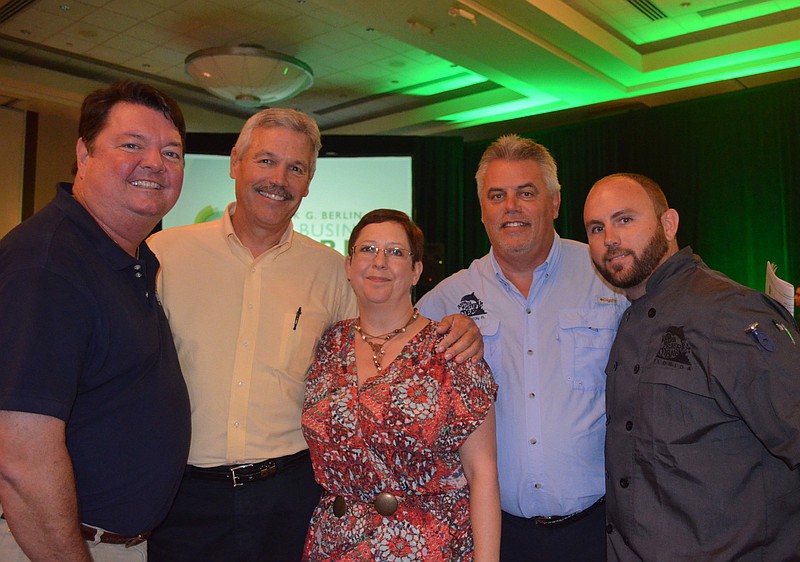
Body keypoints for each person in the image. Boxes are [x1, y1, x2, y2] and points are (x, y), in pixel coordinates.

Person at [146, 109, 483, 562]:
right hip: (187, 499)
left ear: (308, 183)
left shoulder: (330, 270)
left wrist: (457, 324)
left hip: (292, 499)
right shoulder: (164, 256)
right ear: (234, 163)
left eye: (296, 168)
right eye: (266, 161)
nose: (279, 179)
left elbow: (390, 334)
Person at [583, 172, 800, 561]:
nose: (609, 238)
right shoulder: (628, 321)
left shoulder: (727, 311)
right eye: (596, 228)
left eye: (625, 219)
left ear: (669, 223)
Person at [0, 81, 191, 561]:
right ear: (83, 153)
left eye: (171, 152)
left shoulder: (129, 258)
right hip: (49, 543)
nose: (155, 163)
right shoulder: (46, 266)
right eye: (132, 145)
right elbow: (19, 458)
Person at [418, 135, 626, 562]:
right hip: (495, 536)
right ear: (481, 209)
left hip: (598, 531)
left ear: (554, 202)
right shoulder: (445, 301)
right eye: (497, 195)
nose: (510, 207)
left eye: (525, 193)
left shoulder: (607, 278)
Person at [301, 209, 500, 560]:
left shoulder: (451, 348)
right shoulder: (329, 344)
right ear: (348, 267)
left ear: (416, 271)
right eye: (367, 250)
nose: (379, 262)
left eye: (395, 252)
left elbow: (481, 473)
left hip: (429, 548)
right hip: (335, 545)